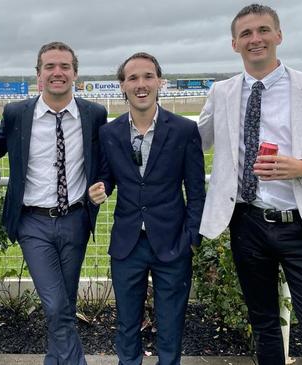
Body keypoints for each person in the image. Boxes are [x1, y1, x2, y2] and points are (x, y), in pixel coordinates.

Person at [198, 4, 302, 364]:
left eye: (263, 30)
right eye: (246, 34)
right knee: (264, 325)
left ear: (278, 36)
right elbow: (195, 141)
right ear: (234, 44)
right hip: (248, 223)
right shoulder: (221, 92)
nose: (255, 39)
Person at [0, 41, 107, 365]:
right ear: (39, 74)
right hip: (33, 222)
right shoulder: (17, 114)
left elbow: (106, 162)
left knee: (65, 304)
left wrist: (105, 186)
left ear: (75, 73)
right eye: (50, 67)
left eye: (65, 66)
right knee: (55, 304)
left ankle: (54, 360)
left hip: (76, 220)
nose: (58, 72)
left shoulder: (94, 114)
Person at [89, 52, 205, 365]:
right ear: (122, 86)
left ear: (159, 82)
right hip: (127, 245)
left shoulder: (183, 130)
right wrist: (100, 187)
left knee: (171, 325)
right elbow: (107, 177)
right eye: (133, 78)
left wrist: (191, 238)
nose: (141, 84)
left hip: (173, 244)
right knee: (127, 325)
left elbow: (196, 190)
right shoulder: (109, 133)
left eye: (148, 76)